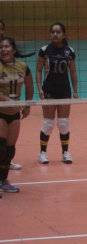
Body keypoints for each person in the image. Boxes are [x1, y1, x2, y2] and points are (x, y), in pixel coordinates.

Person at [36, 22, 78, 165]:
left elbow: (72, 71)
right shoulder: (44, 50)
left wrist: (76, 90)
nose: (55, 34)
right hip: (49, 89)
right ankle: (42, 153)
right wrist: (39, 88)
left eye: (58, 32)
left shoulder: (70, 51)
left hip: (64, 90)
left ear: (63, 34)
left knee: (63, 123)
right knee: (48, 123)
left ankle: (65, 152)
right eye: (53, 32)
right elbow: (38, 70)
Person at [0, 37, 34, 194]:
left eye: (6, 47)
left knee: (9, 150)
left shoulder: (23, 67)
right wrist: (7, 100)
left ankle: (3, 182)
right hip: (1, 111)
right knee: (0, 148)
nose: (3, 50)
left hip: (14, 114)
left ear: (14, 50)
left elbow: (29, 85)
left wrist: (27, 105)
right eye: (1, 47)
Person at [0, 19, 26, 171]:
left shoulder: (8, 52)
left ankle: (6, 165)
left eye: (1, 29)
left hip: (10, 107)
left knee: (6, 147)